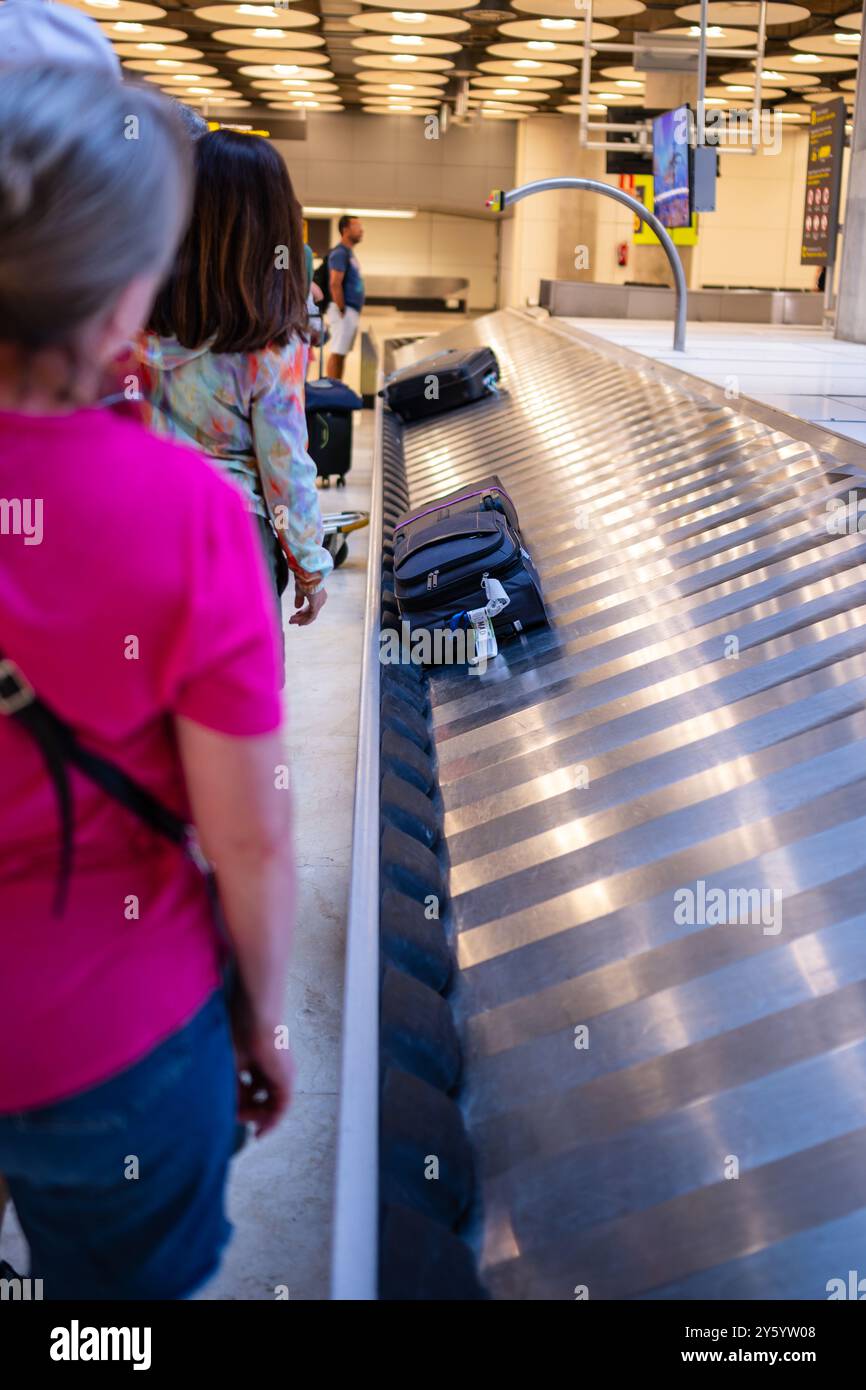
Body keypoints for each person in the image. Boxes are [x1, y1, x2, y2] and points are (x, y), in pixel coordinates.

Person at [0, 66, 294, 1300]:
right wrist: (266, 1021)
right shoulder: (187, 519)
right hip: (109, 1039)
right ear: (129, 285)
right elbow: (252, 839)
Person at [139, 131, 331, 634]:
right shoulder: (271, 340)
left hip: (133, 525)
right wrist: (309, 568)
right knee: (230, 707)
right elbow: (282, 465)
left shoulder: (130, 313)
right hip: (227, 537)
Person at [325, 214, 365, 382]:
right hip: (343, 309)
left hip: (349, 310)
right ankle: (331, 389)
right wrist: (342, 308)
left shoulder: (349, 253)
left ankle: (336, 386)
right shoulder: (340, 253)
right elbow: (335, 283)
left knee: (342, 352)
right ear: (345, 229)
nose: (361, 230)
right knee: (337, 351)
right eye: (357, 226)